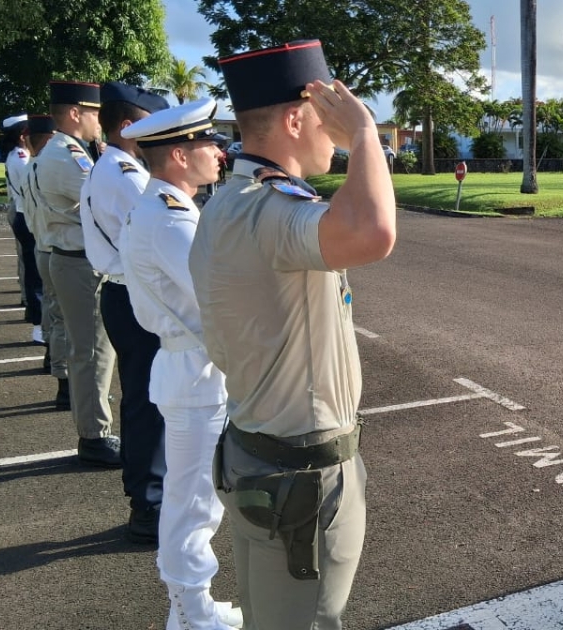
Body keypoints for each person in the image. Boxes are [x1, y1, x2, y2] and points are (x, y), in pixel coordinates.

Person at [190, 39, 396, 630]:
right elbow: (374, 232)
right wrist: (362, 133)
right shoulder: (270, 210)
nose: (331, 127)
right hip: (299, 476)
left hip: (257, 454)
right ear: (295, 117)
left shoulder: (230, 202)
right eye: (325, 113)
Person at [121, 98, 242, 630]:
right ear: (177, 154)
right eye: (206, 144)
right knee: (192, 502)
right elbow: (219, 291)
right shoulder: (169, 219)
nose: (218, 152)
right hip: (194, 369)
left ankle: (193, 604)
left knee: (195, 497)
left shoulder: (166, 207)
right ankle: (190, 613)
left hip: (191, 366)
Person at [79, 81, 171, 543]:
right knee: (148, 403)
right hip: (134, 295)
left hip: (123, 293)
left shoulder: (113, 166)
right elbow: (159, 239)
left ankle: (148, 497)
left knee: (143, 399)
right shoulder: (128, 175)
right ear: (131, 126)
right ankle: (148, 504)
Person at [35, 80, 120, 468]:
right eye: (94, 113)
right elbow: (104, 202)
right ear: (75, 114)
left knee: (90, 350)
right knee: (92, 352)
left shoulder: (66, 150)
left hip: (73, 257)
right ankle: (94, 436)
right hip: (78, 261)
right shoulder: (67, 155)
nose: (99, 122)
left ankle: (94, 425)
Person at [22, 115, 63, 378]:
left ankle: (52, 356)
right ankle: (61, 374)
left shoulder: (31, 167)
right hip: (54, 248)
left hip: (42, 244)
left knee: (52, 308)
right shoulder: (48, 169)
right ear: (49, 139)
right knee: (62, 319)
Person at [1, 114, 44, 343]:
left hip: (22, 215)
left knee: (33, 269)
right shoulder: (21, 158)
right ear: (22, 136)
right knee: (36, 274)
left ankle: (34, 314)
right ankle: (39, 326)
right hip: (26, 216)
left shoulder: (17, 155)